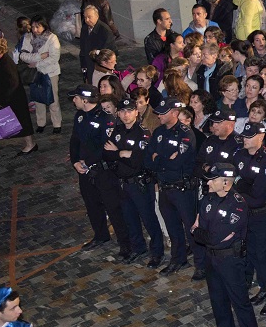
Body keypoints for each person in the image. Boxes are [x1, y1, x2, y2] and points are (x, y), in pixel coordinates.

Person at [194, 163, 259, 327]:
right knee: (217, 298)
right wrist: (201, 233)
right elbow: (203, 233)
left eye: (212, 179)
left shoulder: (237, 205)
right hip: (211, 257)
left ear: (225, 182)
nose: (208, 183)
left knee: (240, 301)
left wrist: (200, 232)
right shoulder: (208, 199)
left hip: (230, 260)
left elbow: (212, 236)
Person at [68, 84, 134, 258]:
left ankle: (125, 244)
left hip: (103, 171)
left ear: (84, 99)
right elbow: (75, 140)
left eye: (75, 97)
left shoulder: (106, 119)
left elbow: (106, 147)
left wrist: (87, 161)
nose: (73, 101)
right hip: (85, 170)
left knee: (113, 208)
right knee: (92, 205)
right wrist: (75, 161)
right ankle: (101, 235)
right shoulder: (80, 116)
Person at [107, 98, 163, 268]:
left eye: (130, 110)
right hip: (123, 183)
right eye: (122, 111)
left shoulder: (143, 133)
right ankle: (138, 248)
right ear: (118, 113)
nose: (126, 115)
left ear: (136, 112)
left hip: (140, 183)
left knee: (149, 219)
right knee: (130, 219)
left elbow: (137, 161)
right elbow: (107, 155)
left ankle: (157, 252)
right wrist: (121, 154)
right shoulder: (116, 131)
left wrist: (118, 153)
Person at [150, 98, 202, 276]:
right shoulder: (158, 132)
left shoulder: (186, 133)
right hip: (165, 187)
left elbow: (178, 162)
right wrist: (163, 159)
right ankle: (178, 259)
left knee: (191, 229)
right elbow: (149, 159)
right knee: (173, 227)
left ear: (174, 113)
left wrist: (159, 158)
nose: (159, 116)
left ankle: (201, 264)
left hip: (183, 189)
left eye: (163, 113)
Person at [234, 122, 266, 316]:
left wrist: (243, 185)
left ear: (261, 137)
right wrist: (244, 184)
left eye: (249, 136)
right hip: (246, 214)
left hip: (262, 214)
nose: (245, 139)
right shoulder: (239, 155)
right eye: (244, 136)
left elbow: (258, 191)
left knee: (264, 256)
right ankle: (263, 288)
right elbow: (234, 182)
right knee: (251, 254)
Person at [0, 37, 37, 157]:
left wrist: (0, 101)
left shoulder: (6, 64)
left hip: (11, 99)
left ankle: (30, 144)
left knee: (22, 122)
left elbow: (12, 84)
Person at [18, 16, 62, 134]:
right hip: (35, 74)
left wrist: (36, 64)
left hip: (50, 72)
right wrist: (40, 56)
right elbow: (23, 56)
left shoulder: (52, 38)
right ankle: (41, 123)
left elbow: (54, 58)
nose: (35, 29)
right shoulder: (28, 37)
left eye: (38, 26)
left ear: (44, 26)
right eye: (33, 27)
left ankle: (56, 124)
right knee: (38, 99)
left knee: (53, 99)